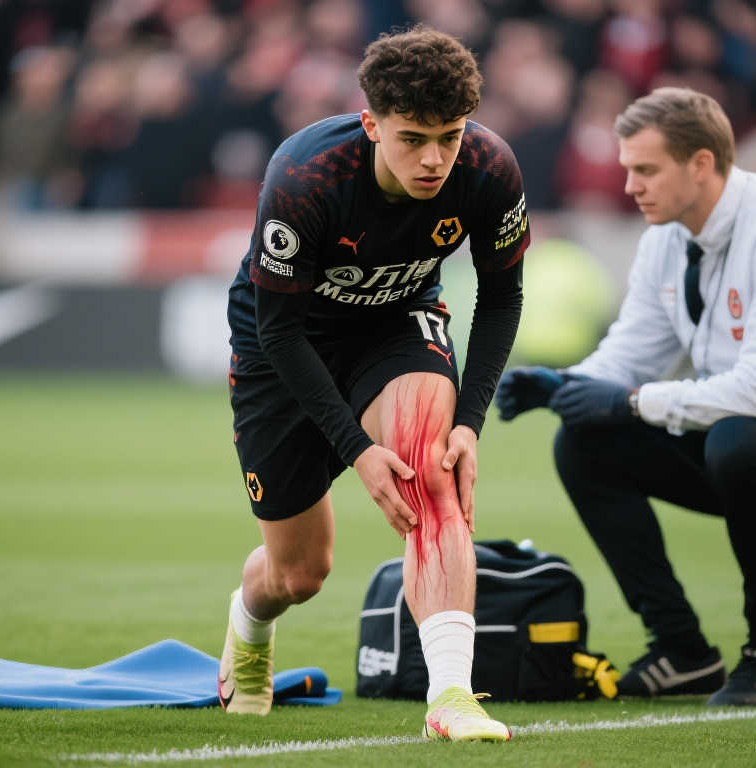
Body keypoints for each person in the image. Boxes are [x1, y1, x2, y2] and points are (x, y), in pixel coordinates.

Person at [495, 87, 756, 707]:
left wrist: (632, 402)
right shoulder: (667, 236)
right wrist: (565, 385)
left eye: (646, 170)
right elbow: (631, 355)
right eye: (628, 170)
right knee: (586, 442)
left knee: (739, 439)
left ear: (700, 164)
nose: (630, 187)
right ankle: (682, 650)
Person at [220, 26, 529, 741]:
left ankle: (451, 696)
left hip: (398, 324)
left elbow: (502, 298)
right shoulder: (304, 177)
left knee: (433, 475)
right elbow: (279, 333)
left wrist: (468, 423)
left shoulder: (489, 168)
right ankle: (248, 627)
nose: (434, 160)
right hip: (287, 343)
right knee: (300, 574)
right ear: (372, 124)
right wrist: (357, 450)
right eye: (412, 139)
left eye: (449, 137)